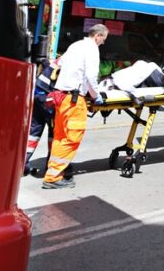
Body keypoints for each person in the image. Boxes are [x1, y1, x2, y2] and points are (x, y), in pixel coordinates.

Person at [43, 24, 108, 189]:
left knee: (60, 137)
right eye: (104, 39)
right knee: (72, 138)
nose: (103, 43)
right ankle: (53, 178)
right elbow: (91, 76)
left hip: (61, 97)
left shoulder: (75, 45)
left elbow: (59, 64)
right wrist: (96, 95)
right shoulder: (92, 49)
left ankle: (53, 173)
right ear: (98, 36)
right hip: (74, 100)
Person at [23, 58, 58, 176]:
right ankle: (51, 165)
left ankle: (21, 164)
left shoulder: (59, 60)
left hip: (37, 95)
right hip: (48, 99)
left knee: (33, 132)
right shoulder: (74, 63)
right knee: (54, 133)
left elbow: (45, 63)